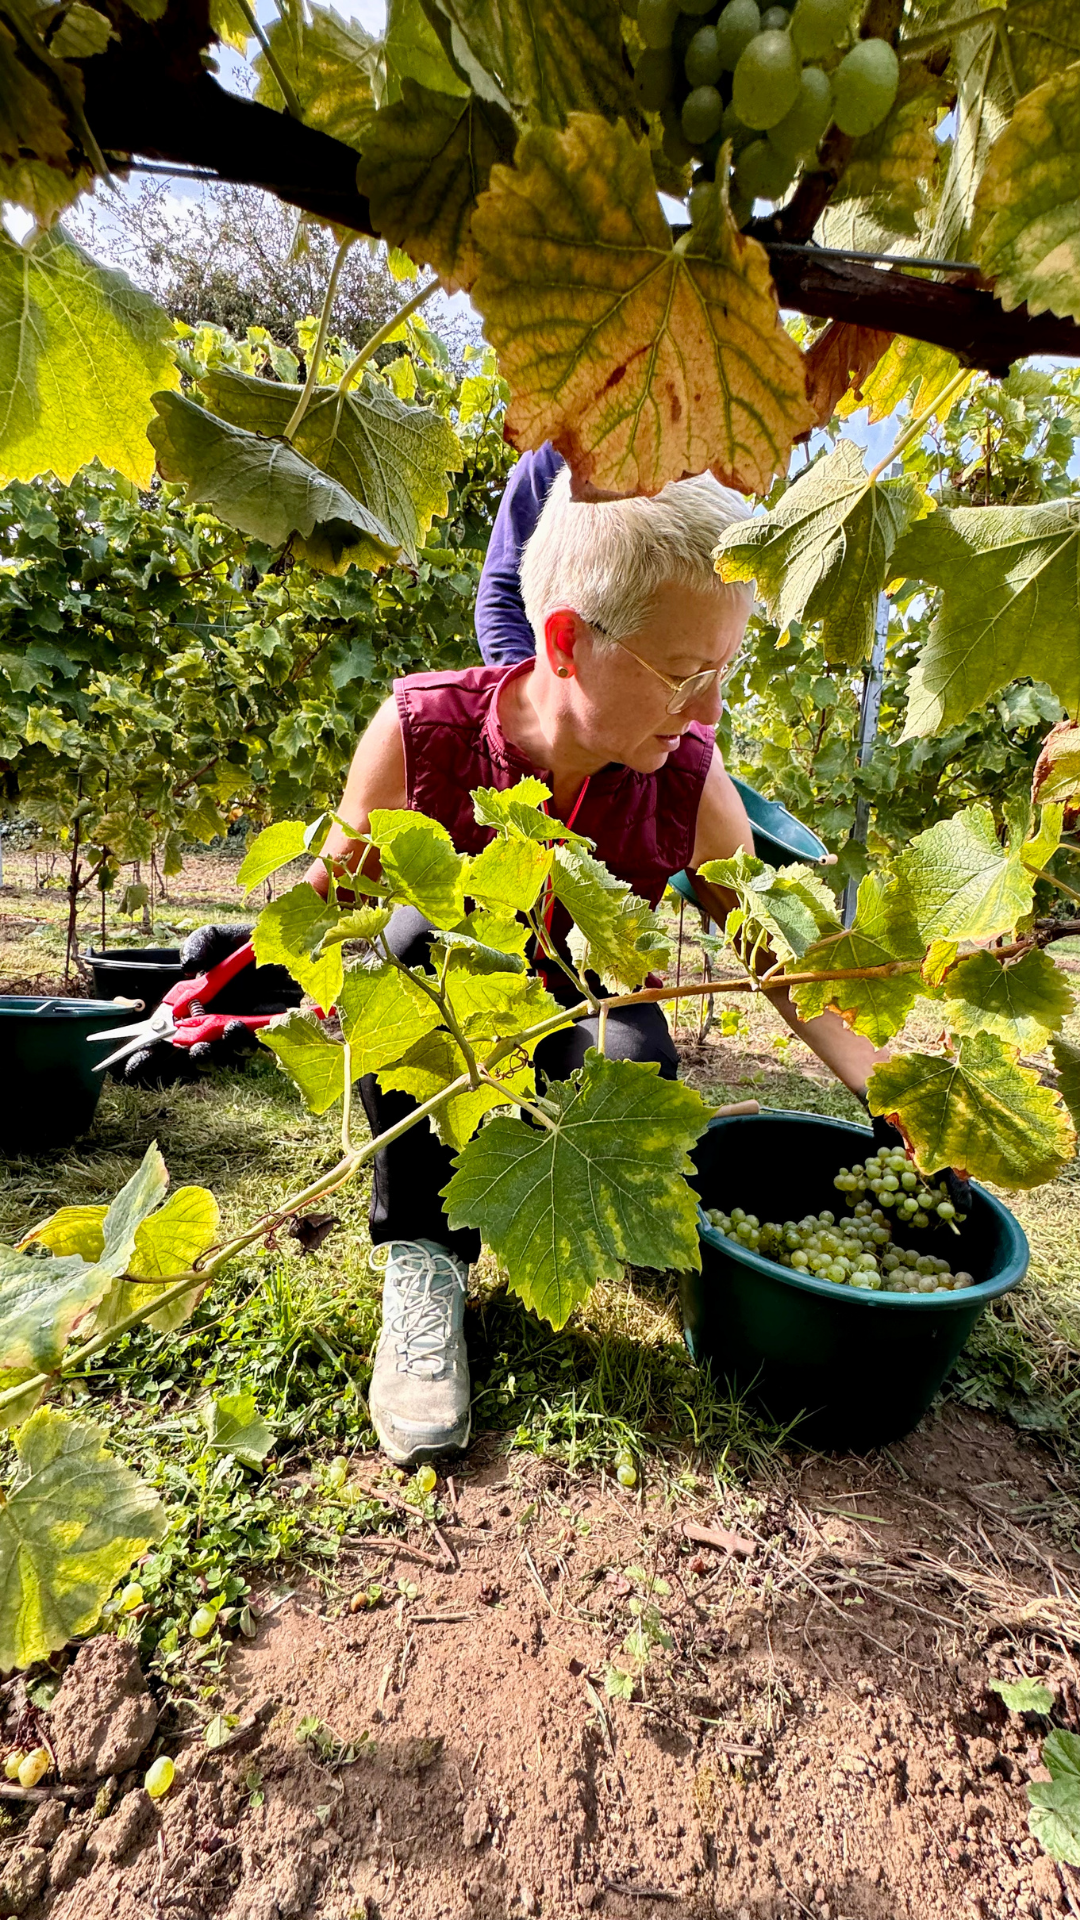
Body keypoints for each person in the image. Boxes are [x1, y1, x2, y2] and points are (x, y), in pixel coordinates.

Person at [305, 465, 887, 1466]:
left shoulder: (695, 781)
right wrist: (324, 985)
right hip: (454, 999)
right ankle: (424, 1261)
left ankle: (621, 1222)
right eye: (679, 670)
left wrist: (894, 1088)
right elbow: (327, 902)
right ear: (567, 641)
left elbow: (773, 960)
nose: (706, 706)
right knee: (409, 954)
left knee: (635, 1052)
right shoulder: (421, 733)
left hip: (572, 984)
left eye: (723, 671)